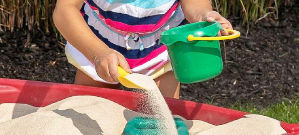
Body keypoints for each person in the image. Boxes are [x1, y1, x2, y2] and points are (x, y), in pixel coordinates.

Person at [53, 0, 233, 98]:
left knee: (164, 117)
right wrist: (98, 53)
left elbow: (195, 3)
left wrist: (204, 15)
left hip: (160, 44)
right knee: (90, 108)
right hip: (100, 40)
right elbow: (65, 10)